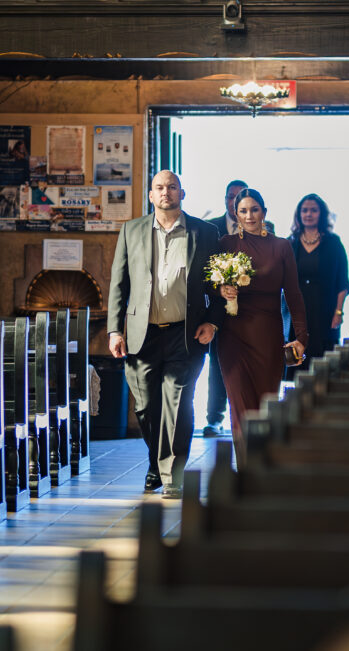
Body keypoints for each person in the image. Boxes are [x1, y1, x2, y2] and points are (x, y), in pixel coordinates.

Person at [107, 170, 224, 499]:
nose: (165, 193)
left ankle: (172, 475)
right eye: (159, 187)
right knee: (146, 408)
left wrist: (213, 322)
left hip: (184, 334)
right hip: (140, 335)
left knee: (178, 403)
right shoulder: (132, 230)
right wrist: (115, 330)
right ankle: (156, 462)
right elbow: (119, 283)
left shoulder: (205, 232)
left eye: (172, 187)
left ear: (182, 193)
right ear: (150, 195)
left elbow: (218, 285)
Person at [217, 188, 307, 466]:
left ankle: (262, 467)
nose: (249, 216)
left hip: (268, 335)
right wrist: (222, 289)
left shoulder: (281, 247)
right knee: (240, 407)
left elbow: (293, 293)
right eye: (243, 211)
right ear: (236, 214)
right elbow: (209, 286)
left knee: (265, 406)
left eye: (254, 209)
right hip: (232, 336)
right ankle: (245, 470)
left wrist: (301, 337)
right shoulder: (225, 243)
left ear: (264, 212)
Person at [202, 179, 275, 437]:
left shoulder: (268, 230)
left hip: (254, 314)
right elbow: (206, 272)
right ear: (226, 201)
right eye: (230, 198)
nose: (236, 205)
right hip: (221, 312)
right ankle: (215, 418)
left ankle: (255, 417)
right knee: (218, 367)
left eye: (239, 199)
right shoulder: (213, 229)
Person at [285, 193, 349, 379]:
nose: (308, 214)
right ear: (299, 215)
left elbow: (342, 282)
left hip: (325, 311)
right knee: (296, 361)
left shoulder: (333, 243)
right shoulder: (291, 243)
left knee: (322, 366)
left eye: (313, 210)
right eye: (304, 210)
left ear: (321, 214)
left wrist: (338, 312)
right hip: (297, 312)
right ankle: (292, 403)